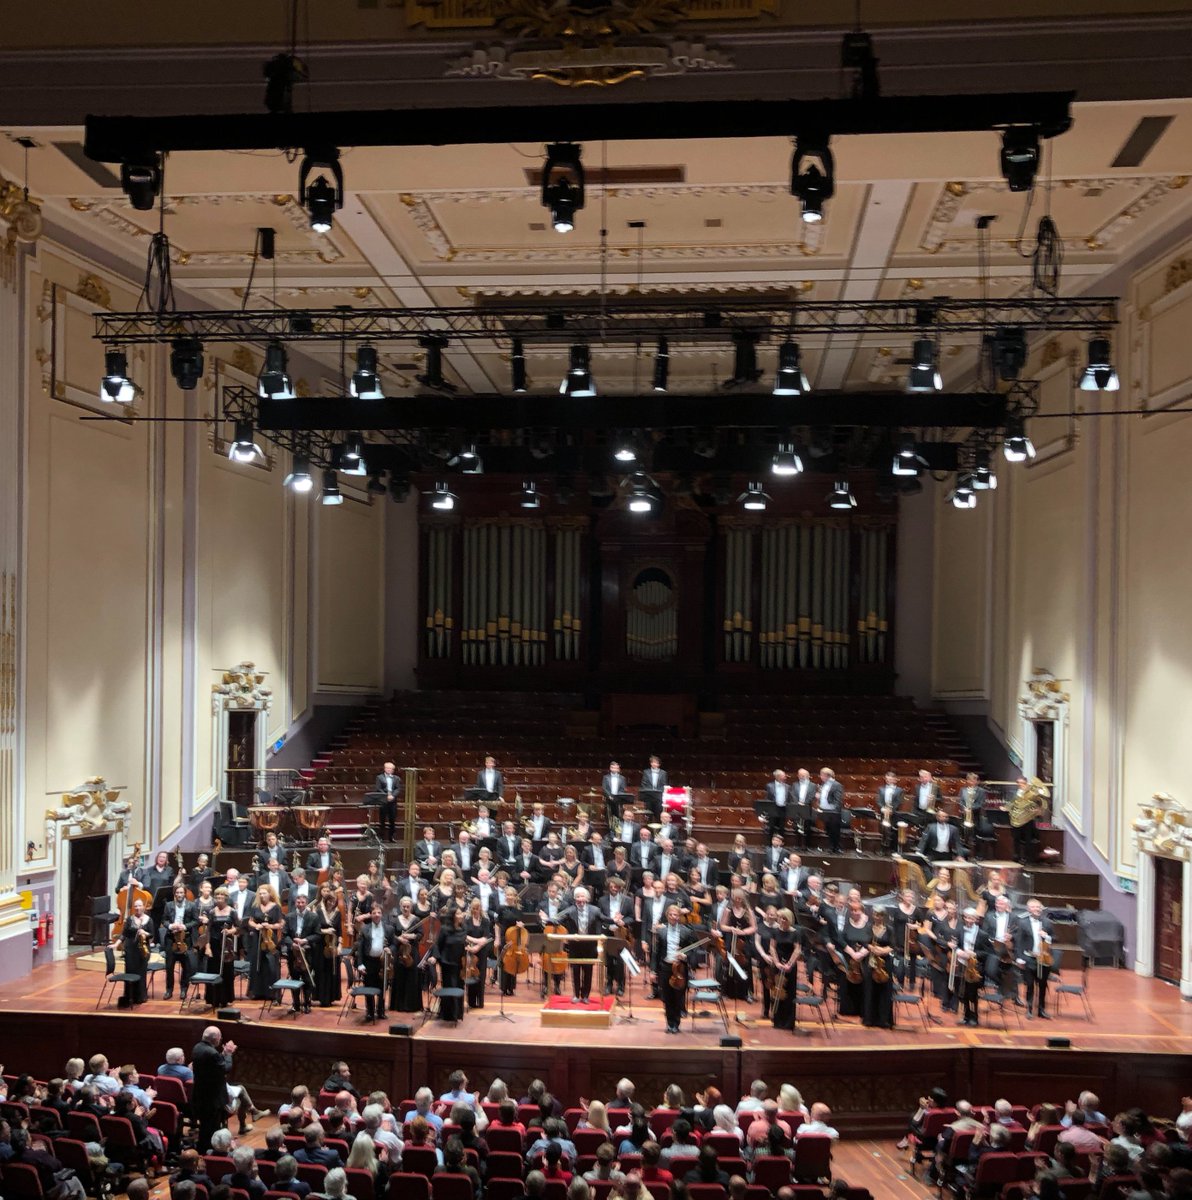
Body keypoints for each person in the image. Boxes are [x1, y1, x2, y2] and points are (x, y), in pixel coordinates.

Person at [652, 903, 700, 1033]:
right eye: (671, 914)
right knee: (667, 997)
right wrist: (653, 971)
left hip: (680, 968)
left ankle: (676, 1024)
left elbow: (695, 950)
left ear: (680, 916)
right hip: (665, 967)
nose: (674, 917)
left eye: (676, 915)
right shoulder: (661, 931)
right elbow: (655, 953)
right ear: (667, 916)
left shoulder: (687, 931)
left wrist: (685, 956)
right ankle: (669, 1023)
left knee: (678, 997)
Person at [192, 1026, 236, 1152]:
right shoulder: (211, 1053)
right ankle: (210, 1151)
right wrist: (228, 1054)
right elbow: (225, 1068)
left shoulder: (198, 1047)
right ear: (215, 1039)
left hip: (200, 1095)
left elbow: (213, 1064)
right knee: (211, 1128)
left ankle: (203, 1149)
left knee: (205, 1127)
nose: (221, 1039)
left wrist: (222, 1054)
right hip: (212, 1098)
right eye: (220, 1037)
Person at [1015, 897, 1055, 1018]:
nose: (1037, 909)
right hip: (1029, 958)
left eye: (1038, 907)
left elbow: (1056, 938)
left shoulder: (1047, 922)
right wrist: (1019, 958)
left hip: (1043, 959)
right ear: (1028, 909)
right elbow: (1019, 942)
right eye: (1034, 907)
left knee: (1042, 985)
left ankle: (1042, 1010)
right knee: (1030, 985)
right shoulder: (1023, 923)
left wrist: (1047, 936)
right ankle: (1029, 1009)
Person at [561, 887, 602, 1003]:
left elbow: (604, 919)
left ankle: (585, 996)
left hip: (590, 946)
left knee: (588, 971)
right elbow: (557, 919)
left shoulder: (595, 910)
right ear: (575, 899)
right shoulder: (570, 910)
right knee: (576, 971)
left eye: (582, 896)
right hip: (575, 945)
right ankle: (576, 995)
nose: (580, 899)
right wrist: (546, 919)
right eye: (578, 897)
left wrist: (615, 920)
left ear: (587, 898)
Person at [282, 892, 319, 1014]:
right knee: (294, 978)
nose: (300, 904)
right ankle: (296, 1004)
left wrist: (304, 940)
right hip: (293, 953)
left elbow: (317, 935)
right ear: (295, 903)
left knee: (307, 979)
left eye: (303, 902)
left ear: (306, 903)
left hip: (307, 952)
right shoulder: (289, 916)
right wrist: (291, 944)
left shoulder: (313, 917)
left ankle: (307, 1004)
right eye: (298, 902)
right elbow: (284, 935)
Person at [354, 901, 391, 1022]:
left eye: (379, 912)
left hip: (382, 962)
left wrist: (389, 949)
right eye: (374, 913)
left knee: (382, 987)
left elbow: (394, 944)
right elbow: (359, 948)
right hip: (368, 962)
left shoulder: (389, 928)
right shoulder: (365, 929)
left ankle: (380, 1011)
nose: (376, 915)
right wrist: (360, 964)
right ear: (370, 914)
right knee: (368, 986)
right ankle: (370, 1012)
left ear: (382, 914)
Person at [246, 885, 284, 1001]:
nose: (262, 895)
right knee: (257, 963)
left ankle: (272, 993)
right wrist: (256, 925)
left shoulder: (276, 907)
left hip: (270, 938)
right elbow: (250, 921)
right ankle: (257, 992)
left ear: (270, 894)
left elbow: (280, 924)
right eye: (260, 893)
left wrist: (270, 926)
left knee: (270, 964)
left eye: (264, 893)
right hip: (257, 938)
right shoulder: (255, 906)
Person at [113, 897, 154, 1007]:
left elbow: (152, 935)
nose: (137, 908)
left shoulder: (148, 920)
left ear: (144, 907)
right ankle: (129, 996)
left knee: (141, 972)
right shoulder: (130, 919)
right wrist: (116, 944)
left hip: (143, 950)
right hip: (130, 950)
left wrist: (144, 932)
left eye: (139, 905)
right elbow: (124, 934)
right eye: (135, 906)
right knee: (130, 972)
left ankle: (140, 996)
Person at [429, 907, 468, 1021]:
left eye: (461, 913)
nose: (461, 916)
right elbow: (437, 945)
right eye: (459, 914)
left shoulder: (463, 928)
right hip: (447, 963)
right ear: (453, 916)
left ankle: (458, 1013)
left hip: (460, 963)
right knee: (450, 987)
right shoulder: (445, 929)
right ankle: (448, 1014)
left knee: (459, 986)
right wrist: (435, 957)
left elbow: (463, 943)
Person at [463, 897, 493, 1009]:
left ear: (481, 908)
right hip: (470, 951)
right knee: (472, 975)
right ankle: (471, 1001)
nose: (476, 910)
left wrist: (478, 946)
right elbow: (465, 935)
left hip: (482, 952)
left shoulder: (485, 920)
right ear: (471, 909)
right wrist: (477, 943)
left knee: (481, 975)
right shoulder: (467, 920)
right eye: (474, 908)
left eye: (477, 908)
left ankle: (480, 1002)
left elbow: (486, 937)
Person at [814, 767, 845, 854]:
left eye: (821, 775)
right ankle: (831, 847)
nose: (820, 777)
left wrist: (832, 809)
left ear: (826, 775)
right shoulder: (823, 785)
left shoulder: (836, 785)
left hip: (833, 813)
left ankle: (836, 848)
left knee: (834, 831)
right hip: (824, 811)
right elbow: (824, 797)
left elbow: (838, 801)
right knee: (828, 830)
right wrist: (818, 796)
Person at [373, 760, 402, 842]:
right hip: (383, 801)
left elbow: (398, 789)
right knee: (382, 819)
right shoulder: (379, 777)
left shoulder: (396, 778)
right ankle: (381, 837)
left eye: (391, 769)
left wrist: (392, 795)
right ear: (385, 769)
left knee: (392, 820)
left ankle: (391, 837)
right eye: (388, 768)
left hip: (393, 801)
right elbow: (378, 788)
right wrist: (386, 796)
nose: (389, 770)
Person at [764, 769, 791, 842]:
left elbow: (789, 798)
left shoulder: (788, 786)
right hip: (773, 809)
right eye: (783, 776)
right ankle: (769, 843)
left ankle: (780, 843)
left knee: (781, 827)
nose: (785, 777)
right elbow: (767, 799)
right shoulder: (769, 786)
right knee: (771, 827)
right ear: (778, 777)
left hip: (783, 809)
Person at [639, 755, 668, 821]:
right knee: (648, 815)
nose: (654, 764)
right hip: (649, 797)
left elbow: (664, 785)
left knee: (658, 815)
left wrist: (659, 794)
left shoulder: (663, 773)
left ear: (659, 764)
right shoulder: (646, 772)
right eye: (653, 762)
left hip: (658, 798)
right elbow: (643, 784)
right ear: (651, 763)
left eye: (656, 763)